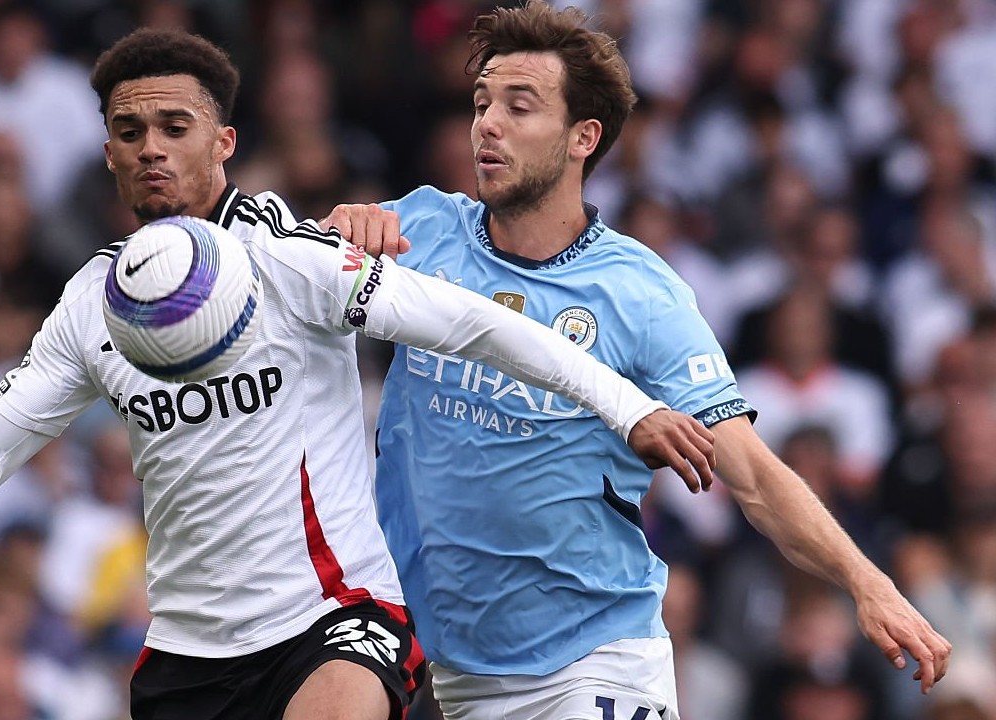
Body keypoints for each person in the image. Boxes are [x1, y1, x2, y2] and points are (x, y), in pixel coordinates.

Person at [0, 27, 717, 720]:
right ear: (107, 157)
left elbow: (471, 323)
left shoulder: (291, 260)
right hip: (187, 652)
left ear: (222, 144)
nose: (153, 149)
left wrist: (627, 408)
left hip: (335, 621)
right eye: (131, 133)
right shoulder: (92, 305)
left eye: (176, 127)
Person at [323, 3, 952, 718]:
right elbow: (283, 290)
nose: (486, 125)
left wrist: (866, 582)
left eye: (518, 106)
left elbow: (749, 471)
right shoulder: (423, 229)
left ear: (582, 137)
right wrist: (334, 233)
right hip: (444, 665)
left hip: (591, 661)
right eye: (481, 103)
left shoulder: (641, 292)